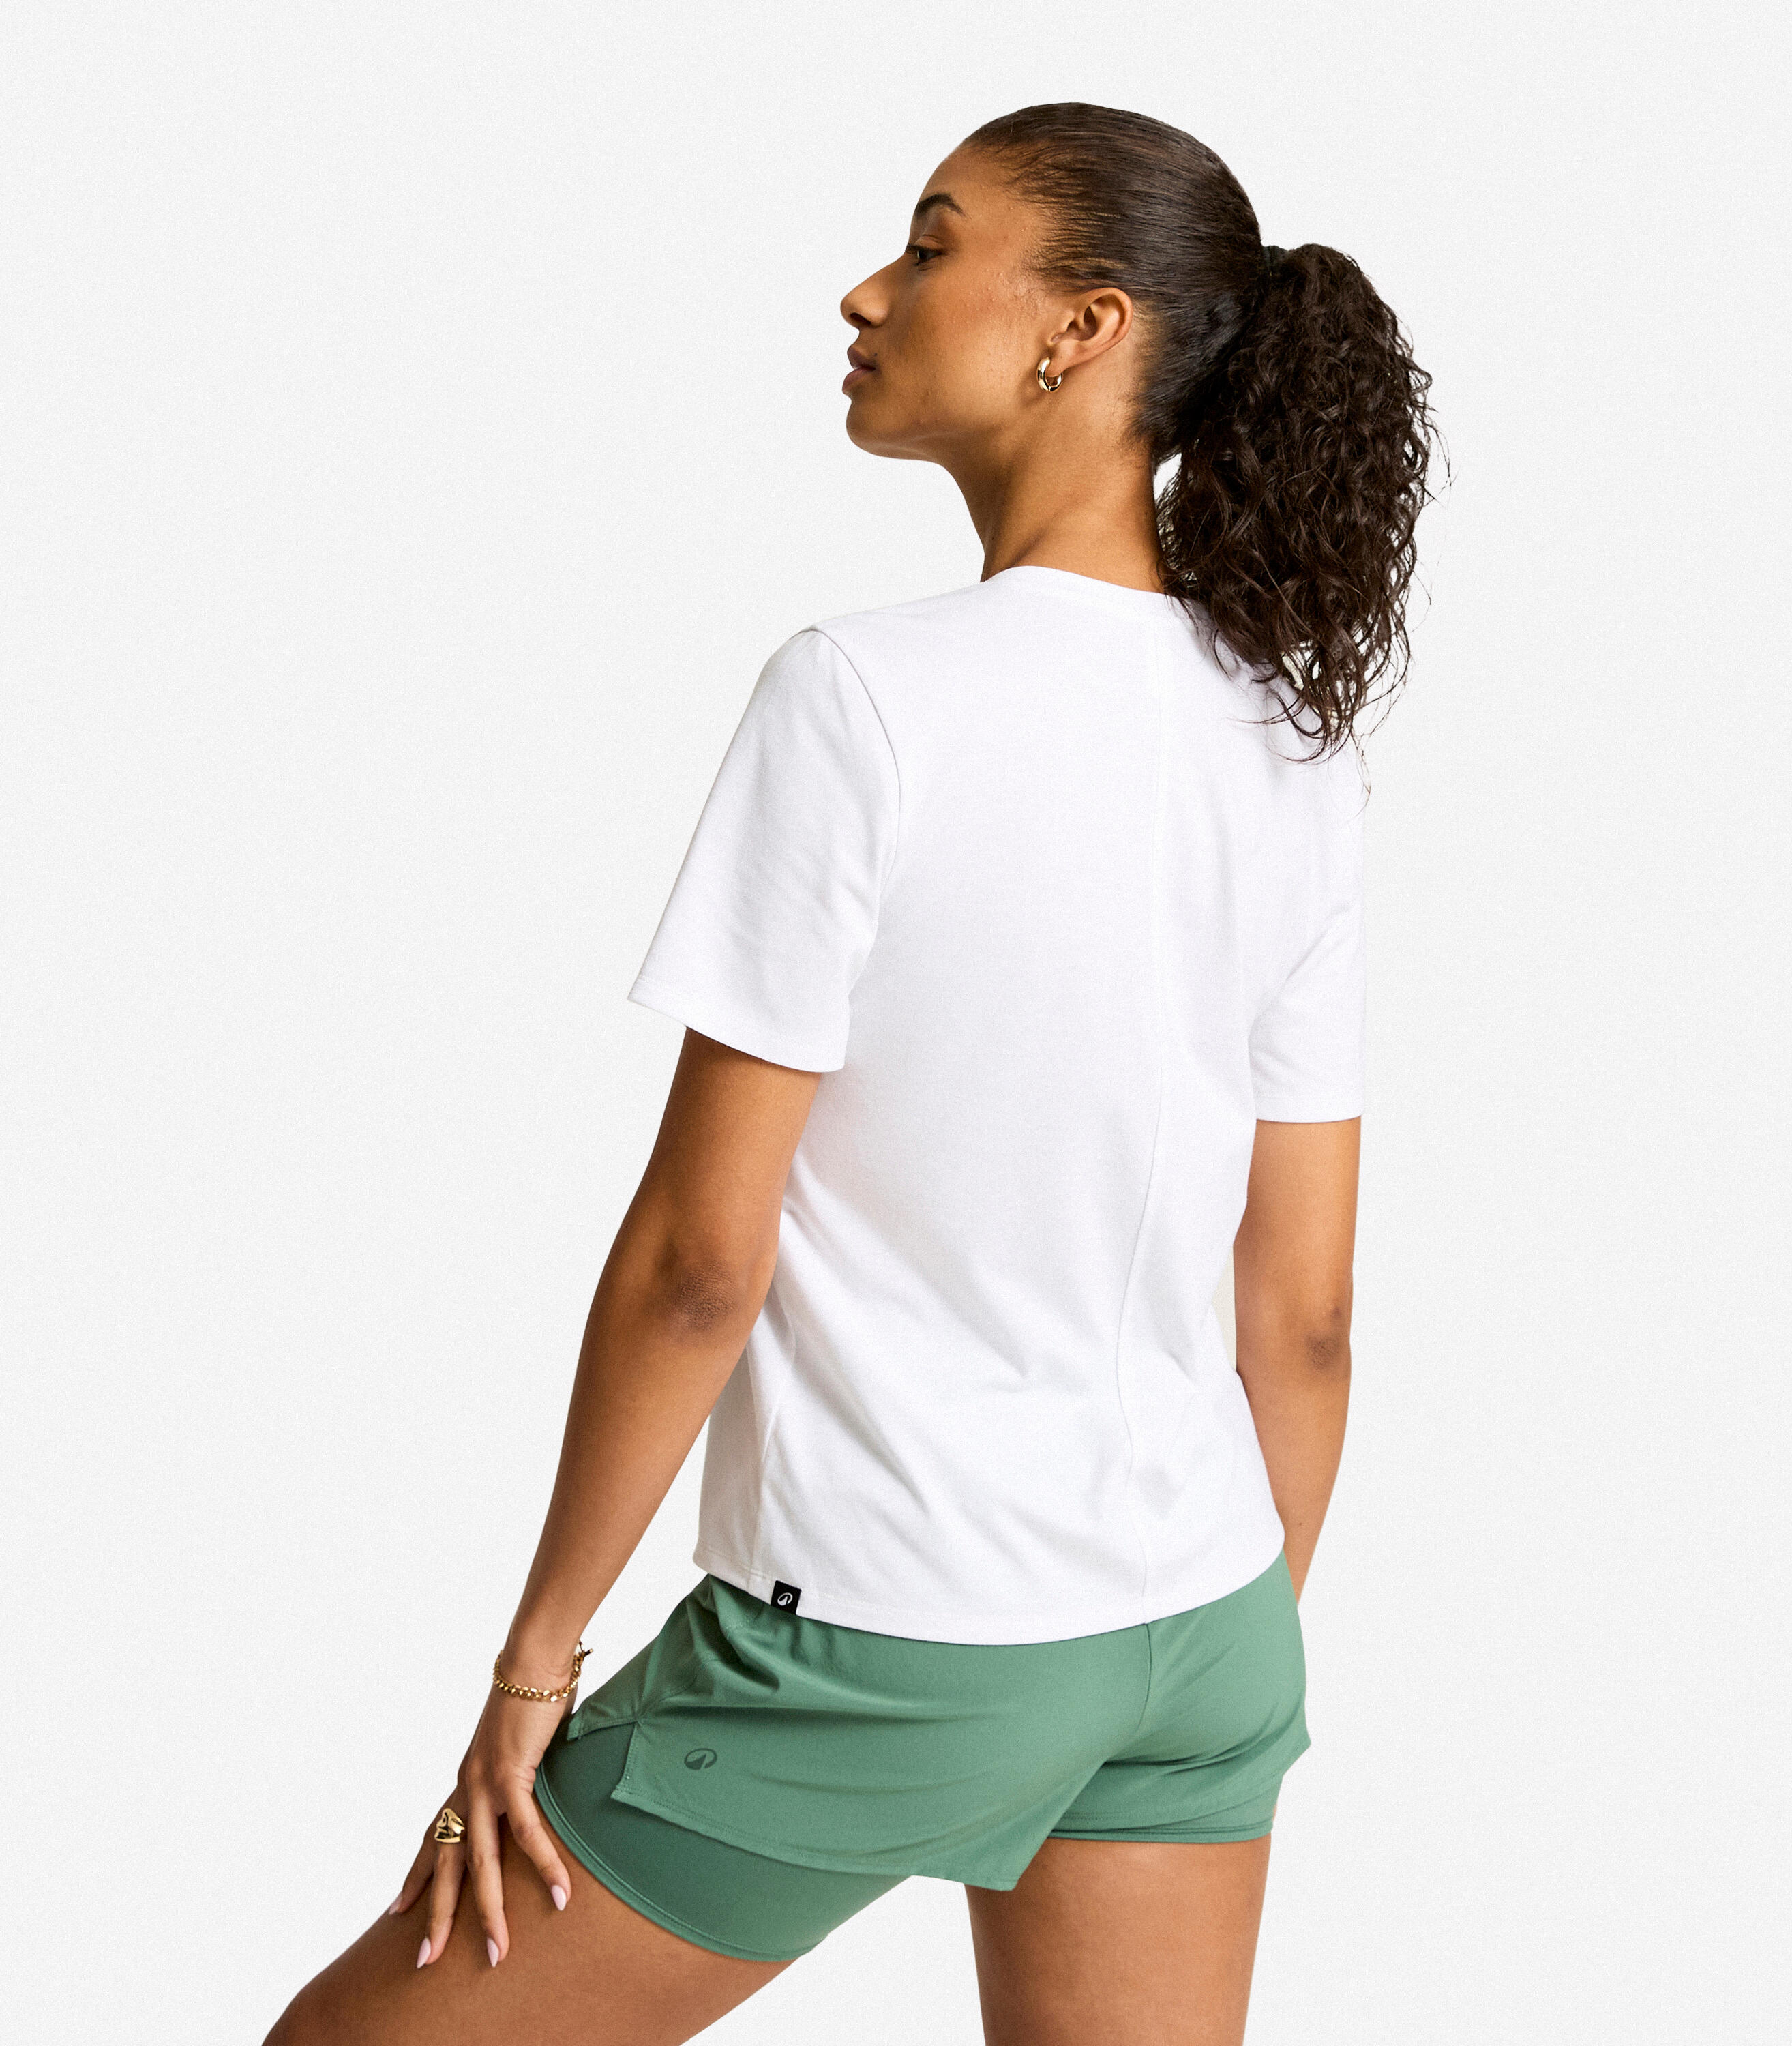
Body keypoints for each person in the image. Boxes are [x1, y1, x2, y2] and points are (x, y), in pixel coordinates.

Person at [265, 99, 1434, 2046]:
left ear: (1081, 329)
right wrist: (1192, 1656)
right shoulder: (1285, 738)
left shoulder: (867, 697)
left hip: (898, 1633)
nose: (867, 291)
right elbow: (1302, 1314)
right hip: (1209, 1624)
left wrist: (538, 1659)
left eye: (932, 243)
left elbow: (697, 1266)